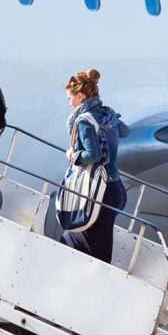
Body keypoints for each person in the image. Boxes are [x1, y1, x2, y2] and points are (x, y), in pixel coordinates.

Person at [60, 68, 129, 264]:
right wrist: (112, 118)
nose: (69, 103)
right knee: (89, 242)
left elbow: (92, 155)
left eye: (70, 98)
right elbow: (124, 131)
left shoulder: (83, 120)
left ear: (80, 96)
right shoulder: (105, 114)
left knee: (81, 243)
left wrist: (73, 154)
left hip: (99, 192)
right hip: (115, 188)